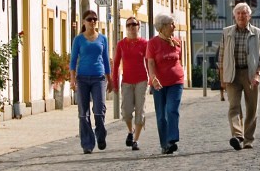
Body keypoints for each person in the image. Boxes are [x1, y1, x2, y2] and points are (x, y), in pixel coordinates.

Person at [217, 1, 260, 150]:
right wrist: (222, 78)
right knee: (234, 106)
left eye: (244, 13)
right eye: (238, 13)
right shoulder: (227, 33)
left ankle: (248, 139)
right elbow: (221, 56)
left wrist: (258, 74)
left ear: (249, 16)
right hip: (232, 74)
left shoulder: (258, 33)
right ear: (234, 16)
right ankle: (238, 135)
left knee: (252, 108)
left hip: (250, 74)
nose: (241, 16)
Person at [69, 9, 111, 154]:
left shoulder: (102, 39)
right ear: (84, 22)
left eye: (94, 19)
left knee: (99, 110)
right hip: (82, 79)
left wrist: (110, 79)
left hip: (99, 78)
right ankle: (87, 143)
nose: (92, 21)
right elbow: (73, 60)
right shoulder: (78, 40)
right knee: (83, 113)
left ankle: (100, 134)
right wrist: (72, 79)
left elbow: (106, 60)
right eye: (89, 19)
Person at [145, 12, 185, 155]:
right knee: (161, 115)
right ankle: (165, 144)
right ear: (162, 27)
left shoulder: (177, 42)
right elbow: (150, 62)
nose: (174, 26)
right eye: (171, 24)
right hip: (159, 84)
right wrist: (153, 78)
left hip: (176, 81)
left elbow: (179, 60)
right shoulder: (152, 43)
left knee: (172, 109)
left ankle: (172, 139)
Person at [110, 15, 148, 152]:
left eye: (134, 24)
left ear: (138, 27)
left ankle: (135, 140)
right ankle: (130, 131)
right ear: (126, 28)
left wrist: (152, 79)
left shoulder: (144, 43)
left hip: (141, 80)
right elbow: (116, 65)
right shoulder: (121, 44)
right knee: (126, 112)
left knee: (140, 111)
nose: (131, 27)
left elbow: (149, 62)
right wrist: (114, 83)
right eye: (128, 25)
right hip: (126, 81)